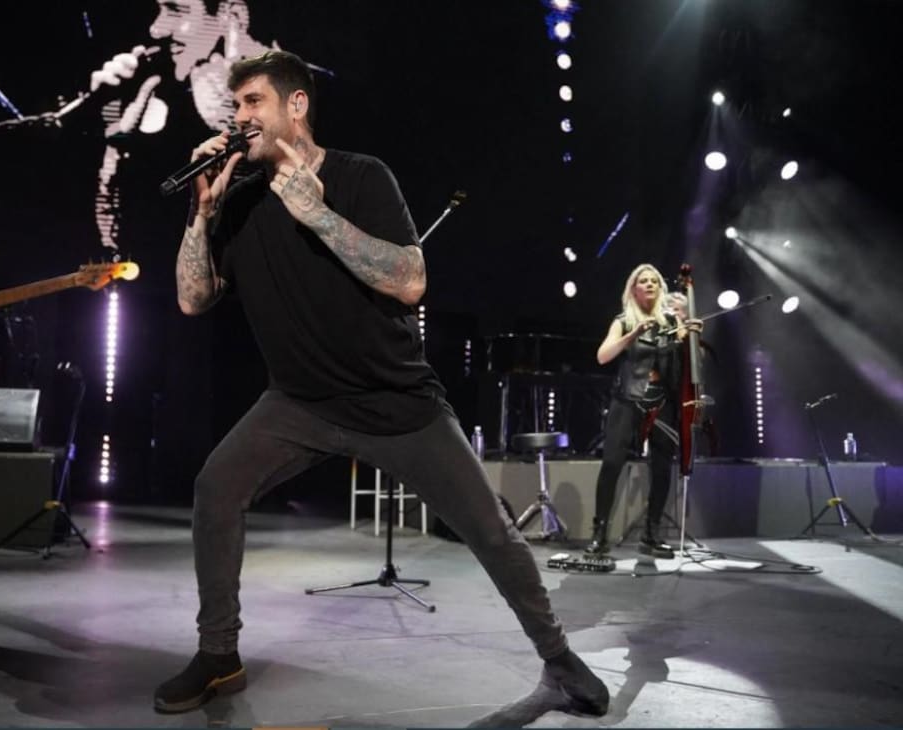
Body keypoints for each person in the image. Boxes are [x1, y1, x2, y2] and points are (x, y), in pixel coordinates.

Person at [153, 50, 609, 718]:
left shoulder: (361, 177)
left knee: (492, 534)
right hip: (298, 403)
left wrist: (317, 215)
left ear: (295, 105)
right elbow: (194, 299)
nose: (240, 119)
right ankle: (219, 656)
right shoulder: (237, 201)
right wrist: (202, 210)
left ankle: (559, 658)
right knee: (215, 488)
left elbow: (409, 279)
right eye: (237, 107)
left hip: (397, 403)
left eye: (254, 103)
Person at [89, 0, 276, 251]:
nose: (156, 30)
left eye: (176, 10)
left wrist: (229, 112)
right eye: (159, 11)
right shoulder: (156, 86)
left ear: (231, 15)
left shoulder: (300, 91)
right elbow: (114, 235)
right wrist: (109, 119)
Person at [583, 264, 701, 561]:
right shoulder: (623, 321)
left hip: (663, 401)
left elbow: (691, 364)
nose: (649, 285)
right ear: (633, 288)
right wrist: (633, 333)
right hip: (628, 399)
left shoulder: (674, 320)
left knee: (661, 467)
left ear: (660, 288)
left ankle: (652, 534)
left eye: (654, 281)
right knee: (611, 463)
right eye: (643, 281)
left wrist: (692, 339)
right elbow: (603, 356)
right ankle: (599, 533)